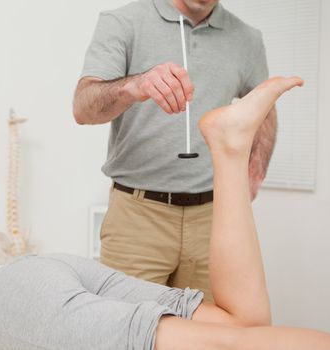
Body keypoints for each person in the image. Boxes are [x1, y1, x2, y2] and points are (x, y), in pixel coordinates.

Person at [0, 77, 330, 350]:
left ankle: (229, 148)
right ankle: (229, 151)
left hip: (11, 310)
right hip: (36, 276)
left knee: (230, 345)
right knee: (246, 324)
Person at [73, 0, 277, 301]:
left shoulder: (247, 39)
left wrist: (254, 174)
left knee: (208, 337)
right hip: (137, 217)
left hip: (213, 219)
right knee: (127, 334)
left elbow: (264, 109)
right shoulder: (122, 22)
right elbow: (83, 108)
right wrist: (134, 85)